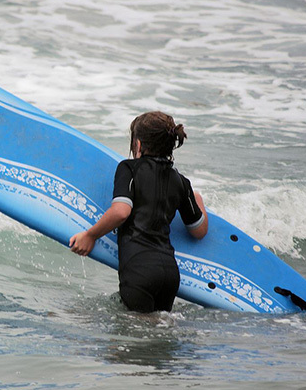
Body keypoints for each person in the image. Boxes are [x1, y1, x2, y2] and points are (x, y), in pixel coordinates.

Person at [69, 111, 208, 313]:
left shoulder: (129, 168)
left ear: (139, 144)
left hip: (139, 269)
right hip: (170, 274)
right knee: (159, 334)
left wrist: (90, 235)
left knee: (130, 339)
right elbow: (199, 230)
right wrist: (198, 201)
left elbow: (121, 212)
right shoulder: (181, 181)